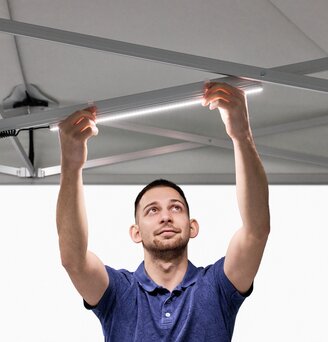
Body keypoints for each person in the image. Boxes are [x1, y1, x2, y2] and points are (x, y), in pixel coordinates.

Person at [56, 82, 270, 342]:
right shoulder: (119, 293)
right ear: (135, 232)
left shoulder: (216, 287)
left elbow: (256, 231)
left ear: (193, 226)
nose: (165, 216)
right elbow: (73, 259)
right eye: (152, 210)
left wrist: (242, 135)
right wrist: (71, 166)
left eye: (175, 208)